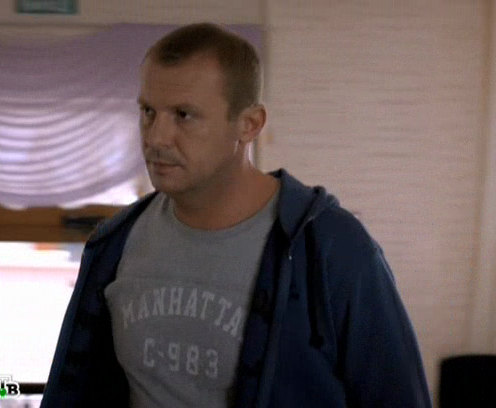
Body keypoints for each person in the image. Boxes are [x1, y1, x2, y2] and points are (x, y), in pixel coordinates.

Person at [41, 22, 431, 408]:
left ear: (249, 125)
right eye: (148, 111)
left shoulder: (332, 250)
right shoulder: (115, 243)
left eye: (183, 115)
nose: (156, 137)